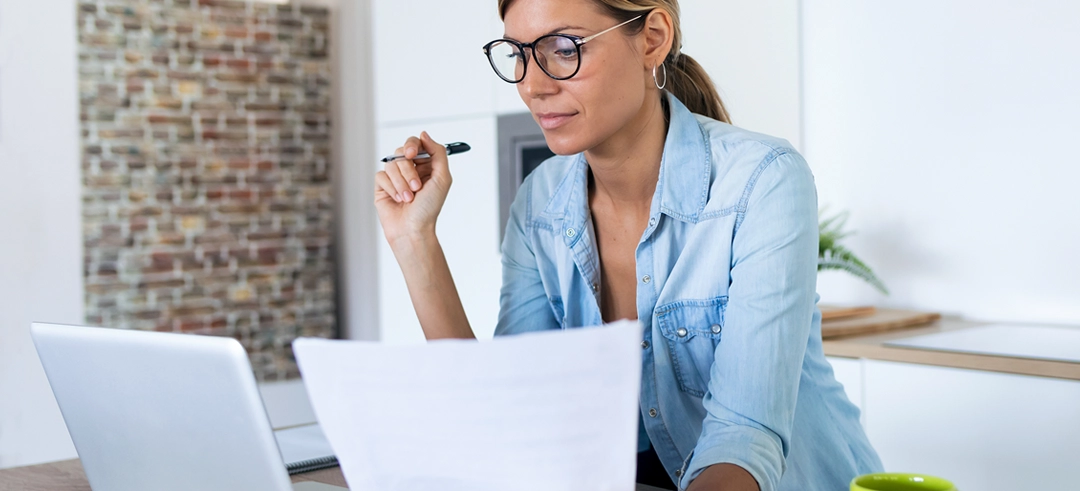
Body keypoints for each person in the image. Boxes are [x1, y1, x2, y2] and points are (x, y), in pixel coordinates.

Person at [373, 0, 883, 489]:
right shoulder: (541, 203)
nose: (532, 86)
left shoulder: (761, 181)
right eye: (518, 55)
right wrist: (414, 239)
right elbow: (510, 415)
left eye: (564, 49)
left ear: (652, 40)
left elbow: (744, 439)